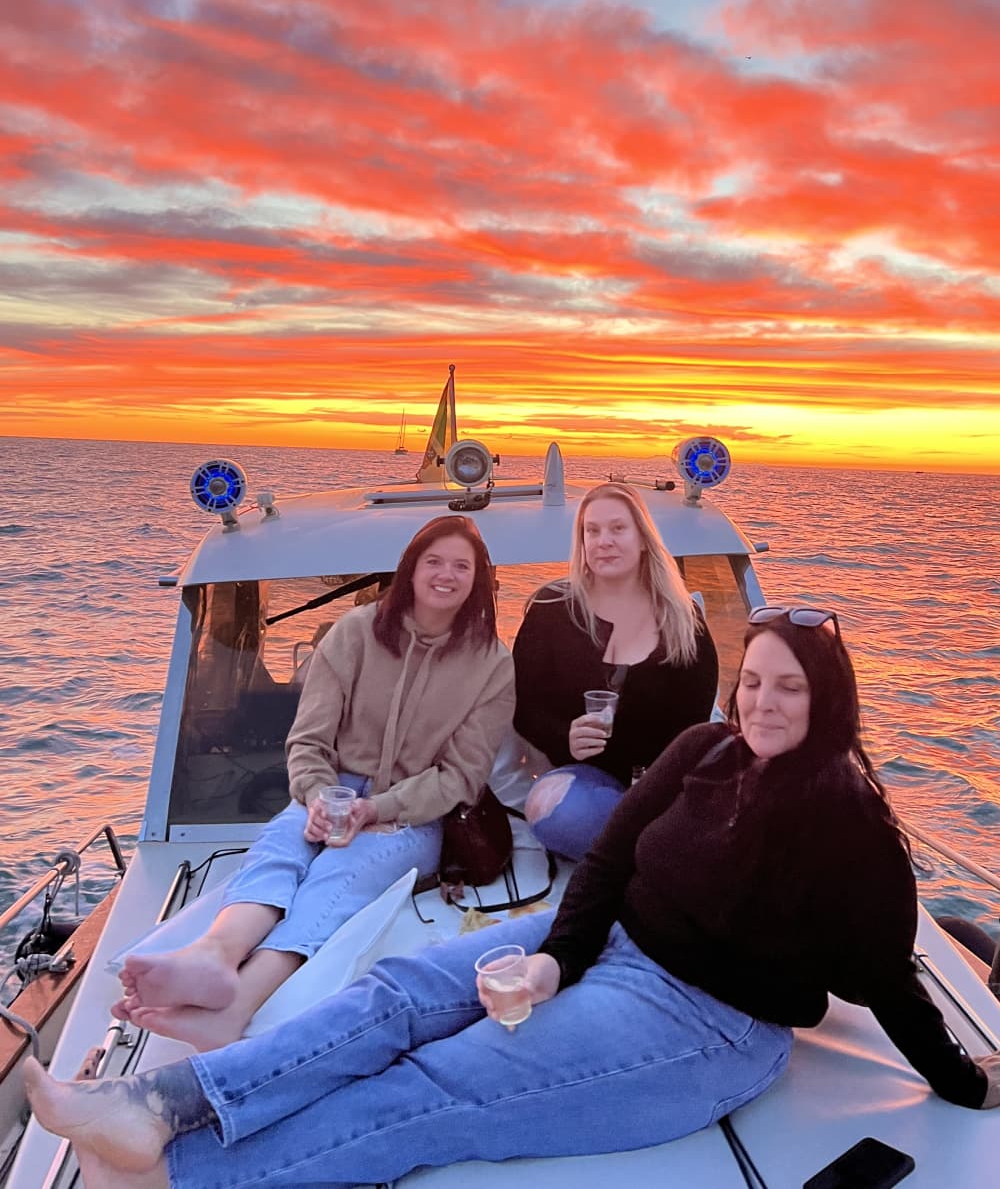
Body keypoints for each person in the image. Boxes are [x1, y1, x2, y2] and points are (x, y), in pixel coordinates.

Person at [29, 605, 999, 1188]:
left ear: (828, 696)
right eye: (749, 681)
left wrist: (959, 1078)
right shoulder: (705, 751)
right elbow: (613, 857)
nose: (758, 702)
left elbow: (883, 970)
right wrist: (553, 957)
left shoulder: (849, 822)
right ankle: (162, 1100)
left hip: (707, 1024)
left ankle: (187, 1174)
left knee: (437, 1084)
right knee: (395, 995)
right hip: (605, 942)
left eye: (785, 687)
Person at [111, 514, 515, 1051]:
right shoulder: (356, 633)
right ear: (410, 568)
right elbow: (308, 740)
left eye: (461, 566)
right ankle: (213, 955)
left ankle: (237, 1004)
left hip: (414, 812)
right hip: (336, 786)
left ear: (478, 580)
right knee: (281, 849)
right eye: (433, 561)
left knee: (339, 877)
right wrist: (320, 796)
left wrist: (381, 810)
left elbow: (462, 776)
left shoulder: (492, 663)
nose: (446, 575)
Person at [515, 481, 718, 858]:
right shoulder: (551, 608)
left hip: (660, 790)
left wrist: (657, 789)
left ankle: (640, 849)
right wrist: (564, 737)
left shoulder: (684, 622)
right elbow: (523, 704)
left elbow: (695, 728)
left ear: (643, 538)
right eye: (592, 531)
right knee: (554, 810)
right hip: (580, 783)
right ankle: (643, 854)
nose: (603, 540)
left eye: (617, 529)